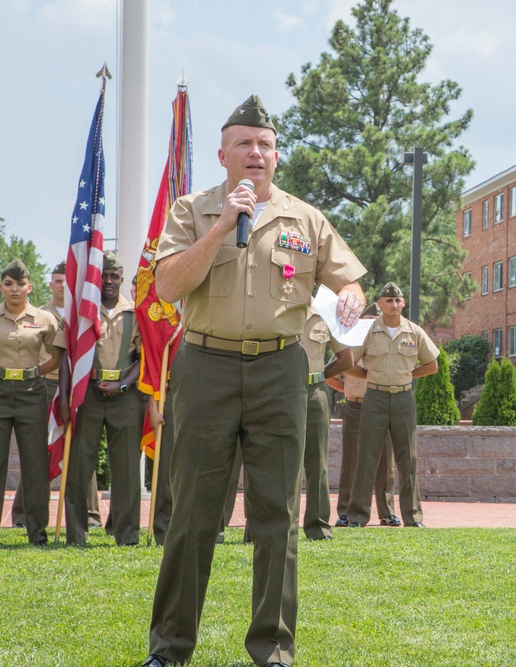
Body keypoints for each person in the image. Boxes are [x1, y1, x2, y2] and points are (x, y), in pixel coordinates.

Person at [142, 94, 366, 667]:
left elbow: (349, 281)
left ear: (276, 157)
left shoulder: (306, 218)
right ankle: (170, 650)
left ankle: (272, 650)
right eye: (244, 143)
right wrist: (222, 226)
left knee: (278, 516)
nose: (256, 153)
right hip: (205, 365)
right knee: (192, 512)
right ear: (223, 154)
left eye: (265, 144)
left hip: (281, 369)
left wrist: (348, 295)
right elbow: (166, 287)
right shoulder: (192, 209)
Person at [10, 261, 102, 530]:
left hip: (79, 387)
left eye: (65, 280)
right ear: (49, 285)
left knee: (81, 447)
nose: (62, 285)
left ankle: (91, 515)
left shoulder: (84, 313)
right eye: (57, 281)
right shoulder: (35, 315)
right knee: (35, 448)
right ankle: (22, 514)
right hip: (45, 385)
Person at [60, 250, 142, 546]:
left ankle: (127, 535)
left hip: (125, 395)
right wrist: (66, 400)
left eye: (114, 276)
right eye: (104, 275)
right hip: (88, 395)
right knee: (80, 466)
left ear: (122, 278)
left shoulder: (136, 313)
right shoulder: (82, 313)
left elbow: (144, 360)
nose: (108, 281)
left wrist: (122, 385)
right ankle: (76, 535)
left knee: (127, 469)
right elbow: (67, 357)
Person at [345, 282, 439, 529]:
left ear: (403, 303)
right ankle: (357, 516)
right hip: (374, 398)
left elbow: (432, 364)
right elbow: (350, 361)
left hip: (403, 399)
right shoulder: (368, 331)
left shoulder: (414, 332)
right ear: (379, 304)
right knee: (367, 458)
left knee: (408, 459)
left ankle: (413, 517)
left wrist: (408, 375)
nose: (394, 305)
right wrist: (369, 376)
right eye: (389, 301)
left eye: (398, 301)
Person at [0, 259, 61, 547]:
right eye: (8, 283)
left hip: (31, 391)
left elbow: (57, 355)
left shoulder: (44, 318)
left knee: (35, 463)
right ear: (1, 287)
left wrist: (35, 372)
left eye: (20, 284)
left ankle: (37, 533)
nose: (14, 289)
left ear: (30, 286)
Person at [327, 303, 398, 528]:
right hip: (356, 406)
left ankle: (387, 512)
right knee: (351, 462)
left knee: (385, 462)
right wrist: (348, 390)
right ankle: (346, 511)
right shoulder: (350, 343)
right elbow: (330, 374)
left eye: (374, 321)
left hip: (383, 405)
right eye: (366, 320)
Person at [300, 308, 352, 540]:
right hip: (279, 390)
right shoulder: (277, 306)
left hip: (314, 392)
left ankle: (318, 526)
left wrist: (319, 374)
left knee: (317, 461)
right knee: (272, 460)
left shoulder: (326, 314)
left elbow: (346, 358)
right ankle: (264, 525)